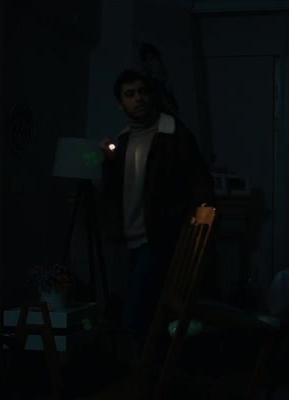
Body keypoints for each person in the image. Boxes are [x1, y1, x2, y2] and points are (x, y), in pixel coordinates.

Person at [99, 69, 214, 359]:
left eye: (142, 92)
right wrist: (108, 162)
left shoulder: (173, 133)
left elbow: (199, 181)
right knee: (148, 311)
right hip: (133, 239)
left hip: (163, 236)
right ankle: (152, 371)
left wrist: (195, 225)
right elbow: (114, 191)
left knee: (137, 311)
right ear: (120, 104)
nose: (138, 98)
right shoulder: (123, 140)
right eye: (130, 94)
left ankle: (144, 375)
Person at [139, 42, 179, 116]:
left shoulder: (172, 79)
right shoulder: (153, 85)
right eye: (146, 62)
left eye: (151, 59)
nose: (149, 65)